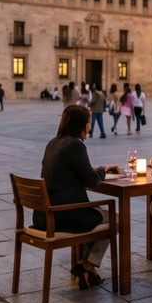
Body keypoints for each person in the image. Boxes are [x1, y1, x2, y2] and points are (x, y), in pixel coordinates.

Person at [40, 105, 116, 290]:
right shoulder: (75, 145)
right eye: (88, 122)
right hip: (63, 215)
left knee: (97, 217)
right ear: (79, 124)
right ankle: (86, 265)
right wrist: (103, 169)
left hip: (44, 215)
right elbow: (92, 180)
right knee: (115, 220)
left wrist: (93, 170)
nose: (90, 127)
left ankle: (88, 270)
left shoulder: (53, 142)